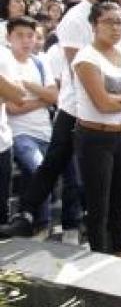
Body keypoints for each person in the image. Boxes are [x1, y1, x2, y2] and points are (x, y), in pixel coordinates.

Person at [0, 0, 121, 242]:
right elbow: (78, 68)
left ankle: (37, 216)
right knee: (64, 167)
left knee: (63, 166)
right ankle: (39, 218)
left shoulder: (113, 14)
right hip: (79, 107)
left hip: (105, 108)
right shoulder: (76, 18)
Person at [73, 0, 121, 256]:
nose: (116, 27)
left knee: (120, 200)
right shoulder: (86, 58)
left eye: (120, 22)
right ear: (94, 25)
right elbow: (103, 105)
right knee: (99, 203)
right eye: (110, 22)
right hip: (96, 136)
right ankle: (98, 255)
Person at [3, 17, 57, 235]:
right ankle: (41, 225)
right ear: (9, 38)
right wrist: (43, 99)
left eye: (30, 36)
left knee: (43, 174)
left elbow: (54, 96)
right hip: (20, 133)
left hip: (45, 131)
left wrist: (28, 86)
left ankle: (26, 217)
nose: (26, 41)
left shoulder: (40, 62)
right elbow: (12, 107)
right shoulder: (6, 63)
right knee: (39, 171)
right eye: (19, 35)